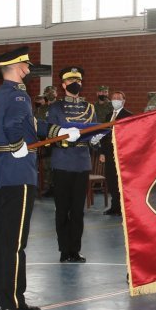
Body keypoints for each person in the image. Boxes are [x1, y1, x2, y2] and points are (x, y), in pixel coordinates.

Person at [0, 47, 78, 310]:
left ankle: (2, 297)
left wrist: (61, 131)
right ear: (16, 67)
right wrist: (16, 144)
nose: (27, 68)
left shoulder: (3, 94)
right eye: (25, 64)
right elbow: (15, 126)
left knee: (2, 239)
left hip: (2, 172)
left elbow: (32, 125)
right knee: (14, 242)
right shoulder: (18, 95)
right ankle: (13, 301)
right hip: (17, 171)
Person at [47, 66, 98, 263]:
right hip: (62, 162)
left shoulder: (90, 108)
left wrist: (95, 139)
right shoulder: (55, 108)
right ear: (64, 84)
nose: (75, 83)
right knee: (62, 209)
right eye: (71, 81)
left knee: (78, 210)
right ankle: (63, 249)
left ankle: (75, 249)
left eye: (78, 80)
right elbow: (51, 135)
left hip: (82, 163)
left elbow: (94, 130)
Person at [99, 90, 132, 215]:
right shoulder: (108, 116)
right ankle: (115, 206)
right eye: (113, 97)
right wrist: (102, 152)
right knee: (111, 180)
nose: (115, 100)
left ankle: (123, 208)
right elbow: (104, 134)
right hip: (108, 153)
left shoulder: (128, 115)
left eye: (118, 98)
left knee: (121, 181)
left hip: (121, 153)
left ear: (123, 101)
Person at [36, 85, 58, 197]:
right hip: (45, 141)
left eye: (52, 92)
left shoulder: (60, 107)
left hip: (58, 140)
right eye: (47, 92)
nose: (50, 94)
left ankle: (57, 187)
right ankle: (48, 186)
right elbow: (38, 124)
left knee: (57, 165)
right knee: (46, 165)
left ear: (56, 94)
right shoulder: (41, 109)